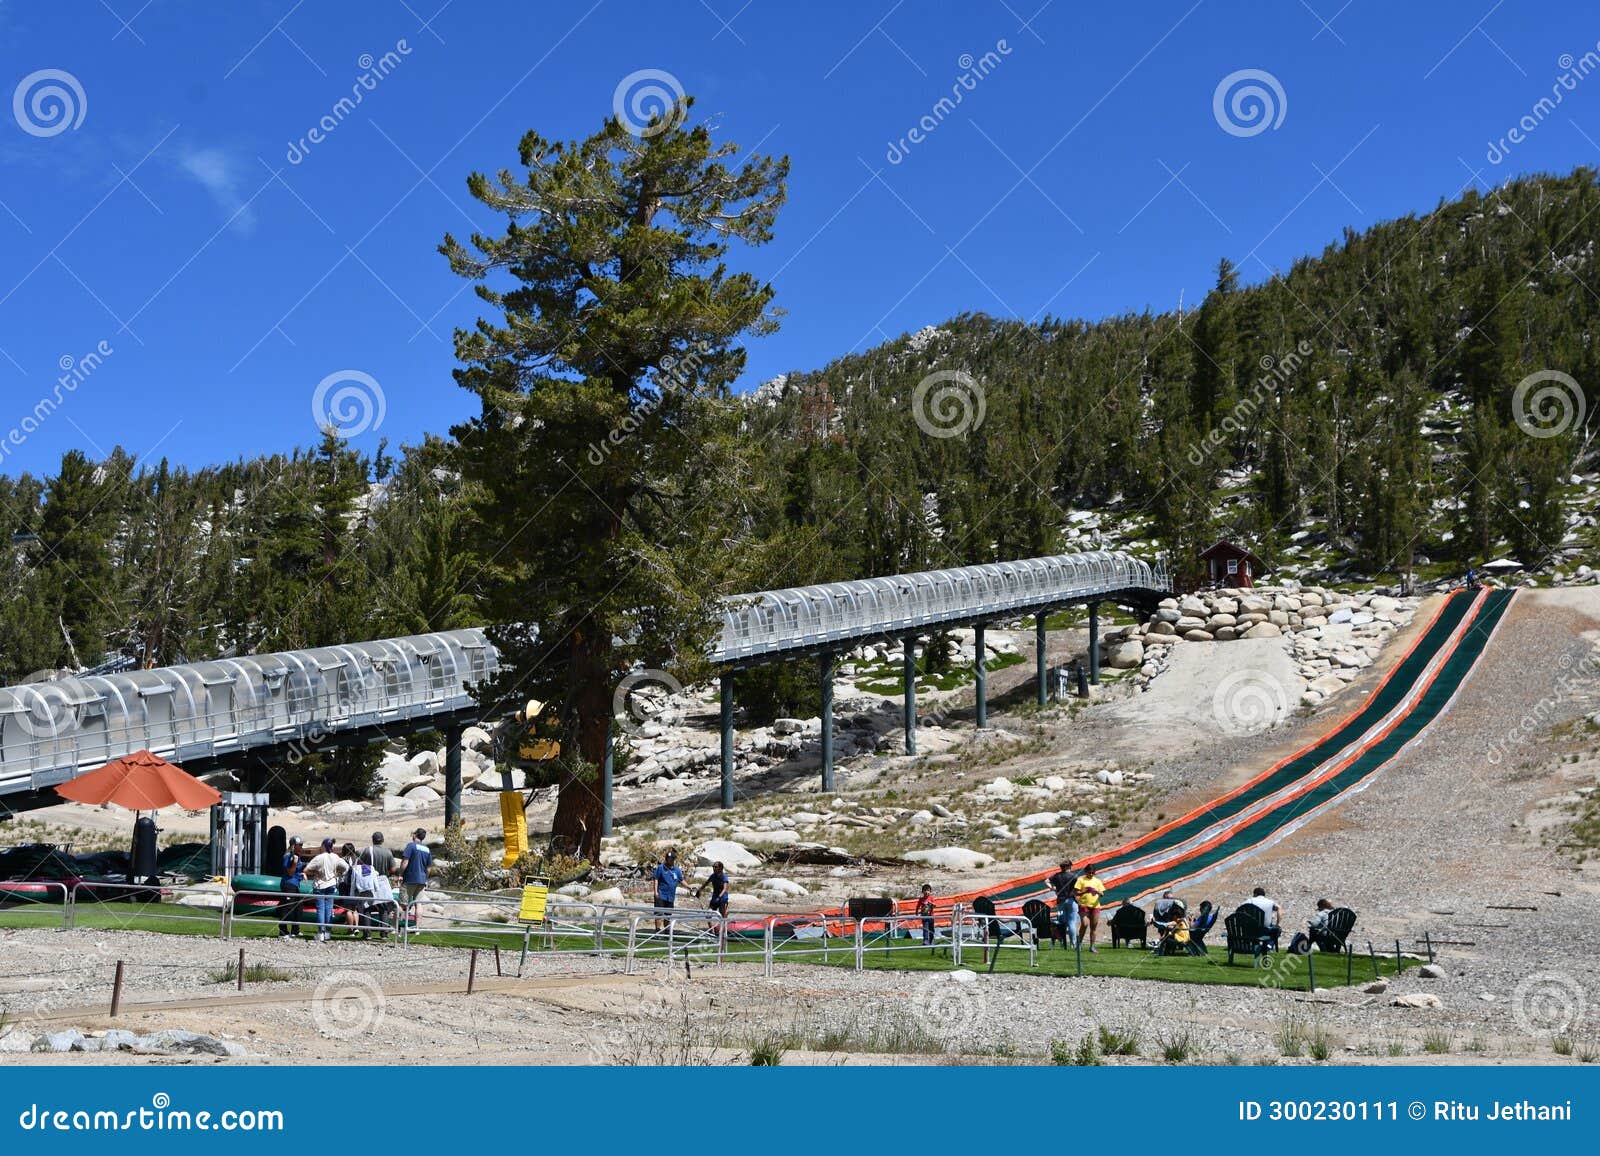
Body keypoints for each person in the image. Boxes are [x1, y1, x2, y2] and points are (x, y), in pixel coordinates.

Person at [305, 838, 348, 942]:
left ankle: (321, 932)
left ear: (323, 846)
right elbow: (346, 867)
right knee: (328, 909)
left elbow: (306, 869)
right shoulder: (335, 857)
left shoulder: (318, 858)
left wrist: (314, 873)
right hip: (331, 884)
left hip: (320, 885)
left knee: (320, 909)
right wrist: (338, 872)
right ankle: (328, 932)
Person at [400, 828, 432, 924]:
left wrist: (400, 874)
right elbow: (429, 868)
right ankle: (417, 928)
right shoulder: (427, 849)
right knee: (418, 904)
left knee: (402, 905)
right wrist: (425, 878)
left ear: (415, 835)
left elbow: (405, 862)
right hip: (421, 881)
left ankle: (397, 927)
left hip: (409, 879)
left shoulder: (411, 846)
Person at [277, 835, 306, 939]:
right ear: (294, 846)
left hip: (295, 884)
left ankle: (295, 930)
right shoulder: (289, 856)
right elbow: (290, 872)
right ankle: (283, 931)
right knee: (287, 907)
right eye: (300, 845)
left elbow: (296, 871)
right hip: (288, 884)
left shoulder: (297, 856)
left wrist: (302, 874)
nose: (302, 847)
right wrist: (294, 863)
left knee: (299, 906)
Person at [1073, 864, 1106, 952]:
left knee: (1093, 926)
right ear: (1086, 872)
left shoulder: (1097, 881)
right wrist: (1085, 891)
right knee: (1084, 924)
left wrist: (1097, 892)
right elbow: (1075, 893)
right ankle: (1079, 944)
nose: (1091, 874)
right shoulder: (1081, 880)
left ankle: (1092, 946)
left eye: (1092, 873)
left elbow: (1102, 893)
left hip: (1095, 906)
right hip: (1084, 905)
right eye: (1089, 872)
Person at [652, 848, 686, 932]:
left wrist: (689, 887)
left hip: (670, 896)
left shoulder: (676, 870)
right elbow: (656, 879)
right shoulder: (661, 868)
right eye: (668, 858)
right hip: (661, 894)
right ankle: (658, 930)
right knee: (659, 913)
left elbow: (681, 880)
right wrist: (655, 891)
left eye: (671, 858)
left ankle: (667, 930)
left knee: (668, 914)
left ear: (674, 859)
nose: (669, 860)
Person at [1047, 859, 1078, 948]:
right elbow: (1077, 888)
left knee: (1062, 922)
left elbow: (1046, 881)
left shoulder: (1057, 875)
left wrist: (1053, 889)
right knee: (1072, 922)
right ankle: (1073, 944)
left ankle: (1062, 940)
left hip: (1060, 900)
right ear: (1069, 866)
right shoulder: (1074, 876)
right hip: (1071, 900)